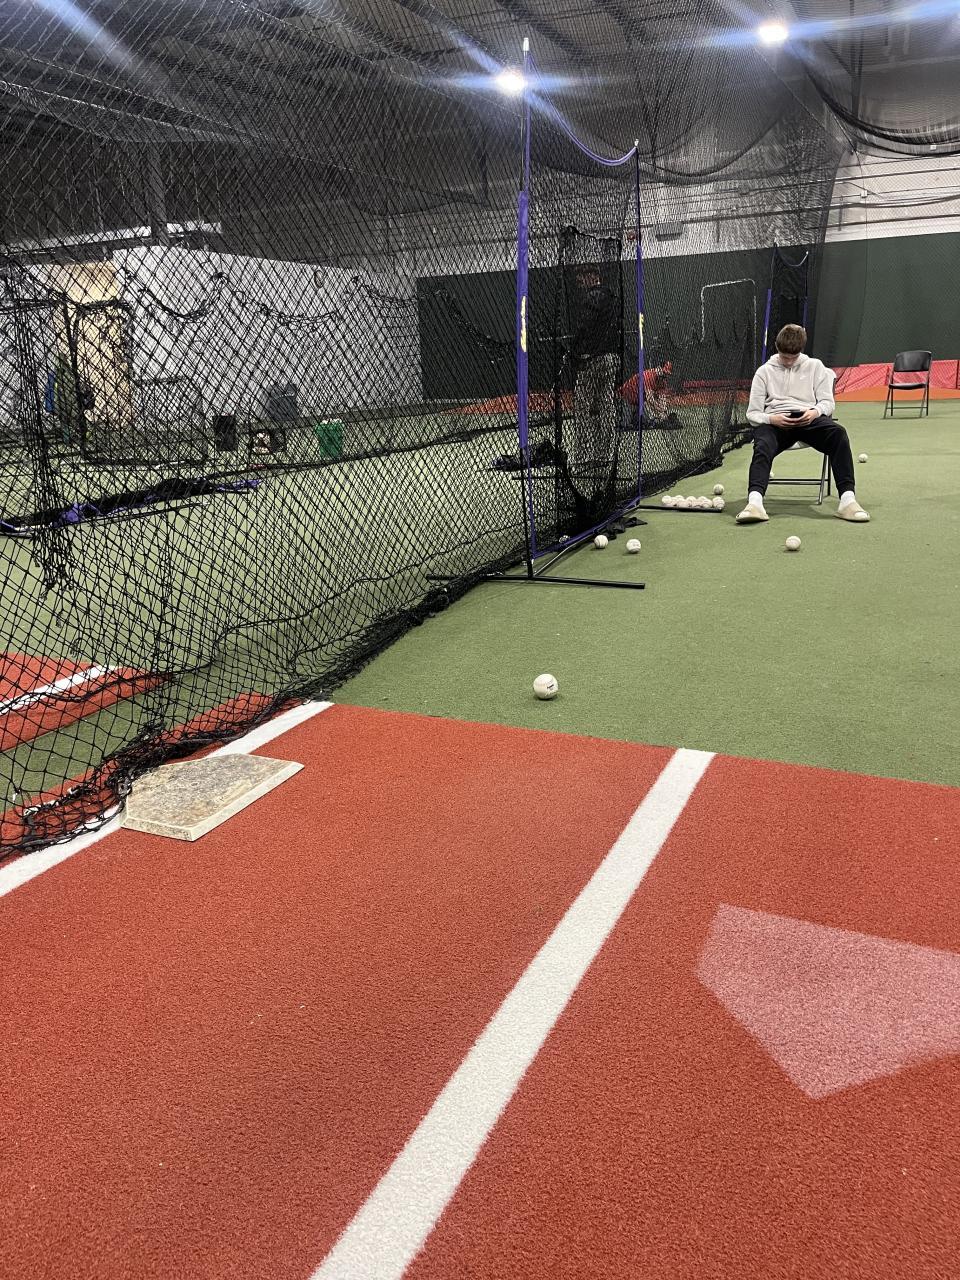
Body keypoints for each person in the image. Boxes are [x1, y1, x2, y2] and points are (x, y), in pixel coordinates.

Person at [737, 323, 869, 524]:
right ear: (777, 348)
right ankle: (754, 504)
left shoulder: (815, 366)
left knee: (838, 434)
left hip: (809, 420)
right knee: (762, 443)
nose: (789, 362)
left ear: (801, 350)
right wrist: (772, 419)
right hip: (776, 423)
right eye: (784, 357)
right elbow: (753, 414)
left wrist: (814, 412)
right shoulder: (763, 372)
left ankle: (847, 502)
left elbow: (827, 403)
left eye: (794, 357)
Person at [569, 266, 619, 479]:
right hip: (611, 358)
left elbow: (585, 327)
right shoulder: (612, 298)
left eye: (582, 277)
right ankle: (604, 453)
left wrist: (574, 350)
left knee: (582, 407)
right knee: (606, 404)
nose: (580, 282)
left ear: (592, 276)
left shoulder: (593, 297)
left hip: (593, 359)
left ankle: (583, 456)